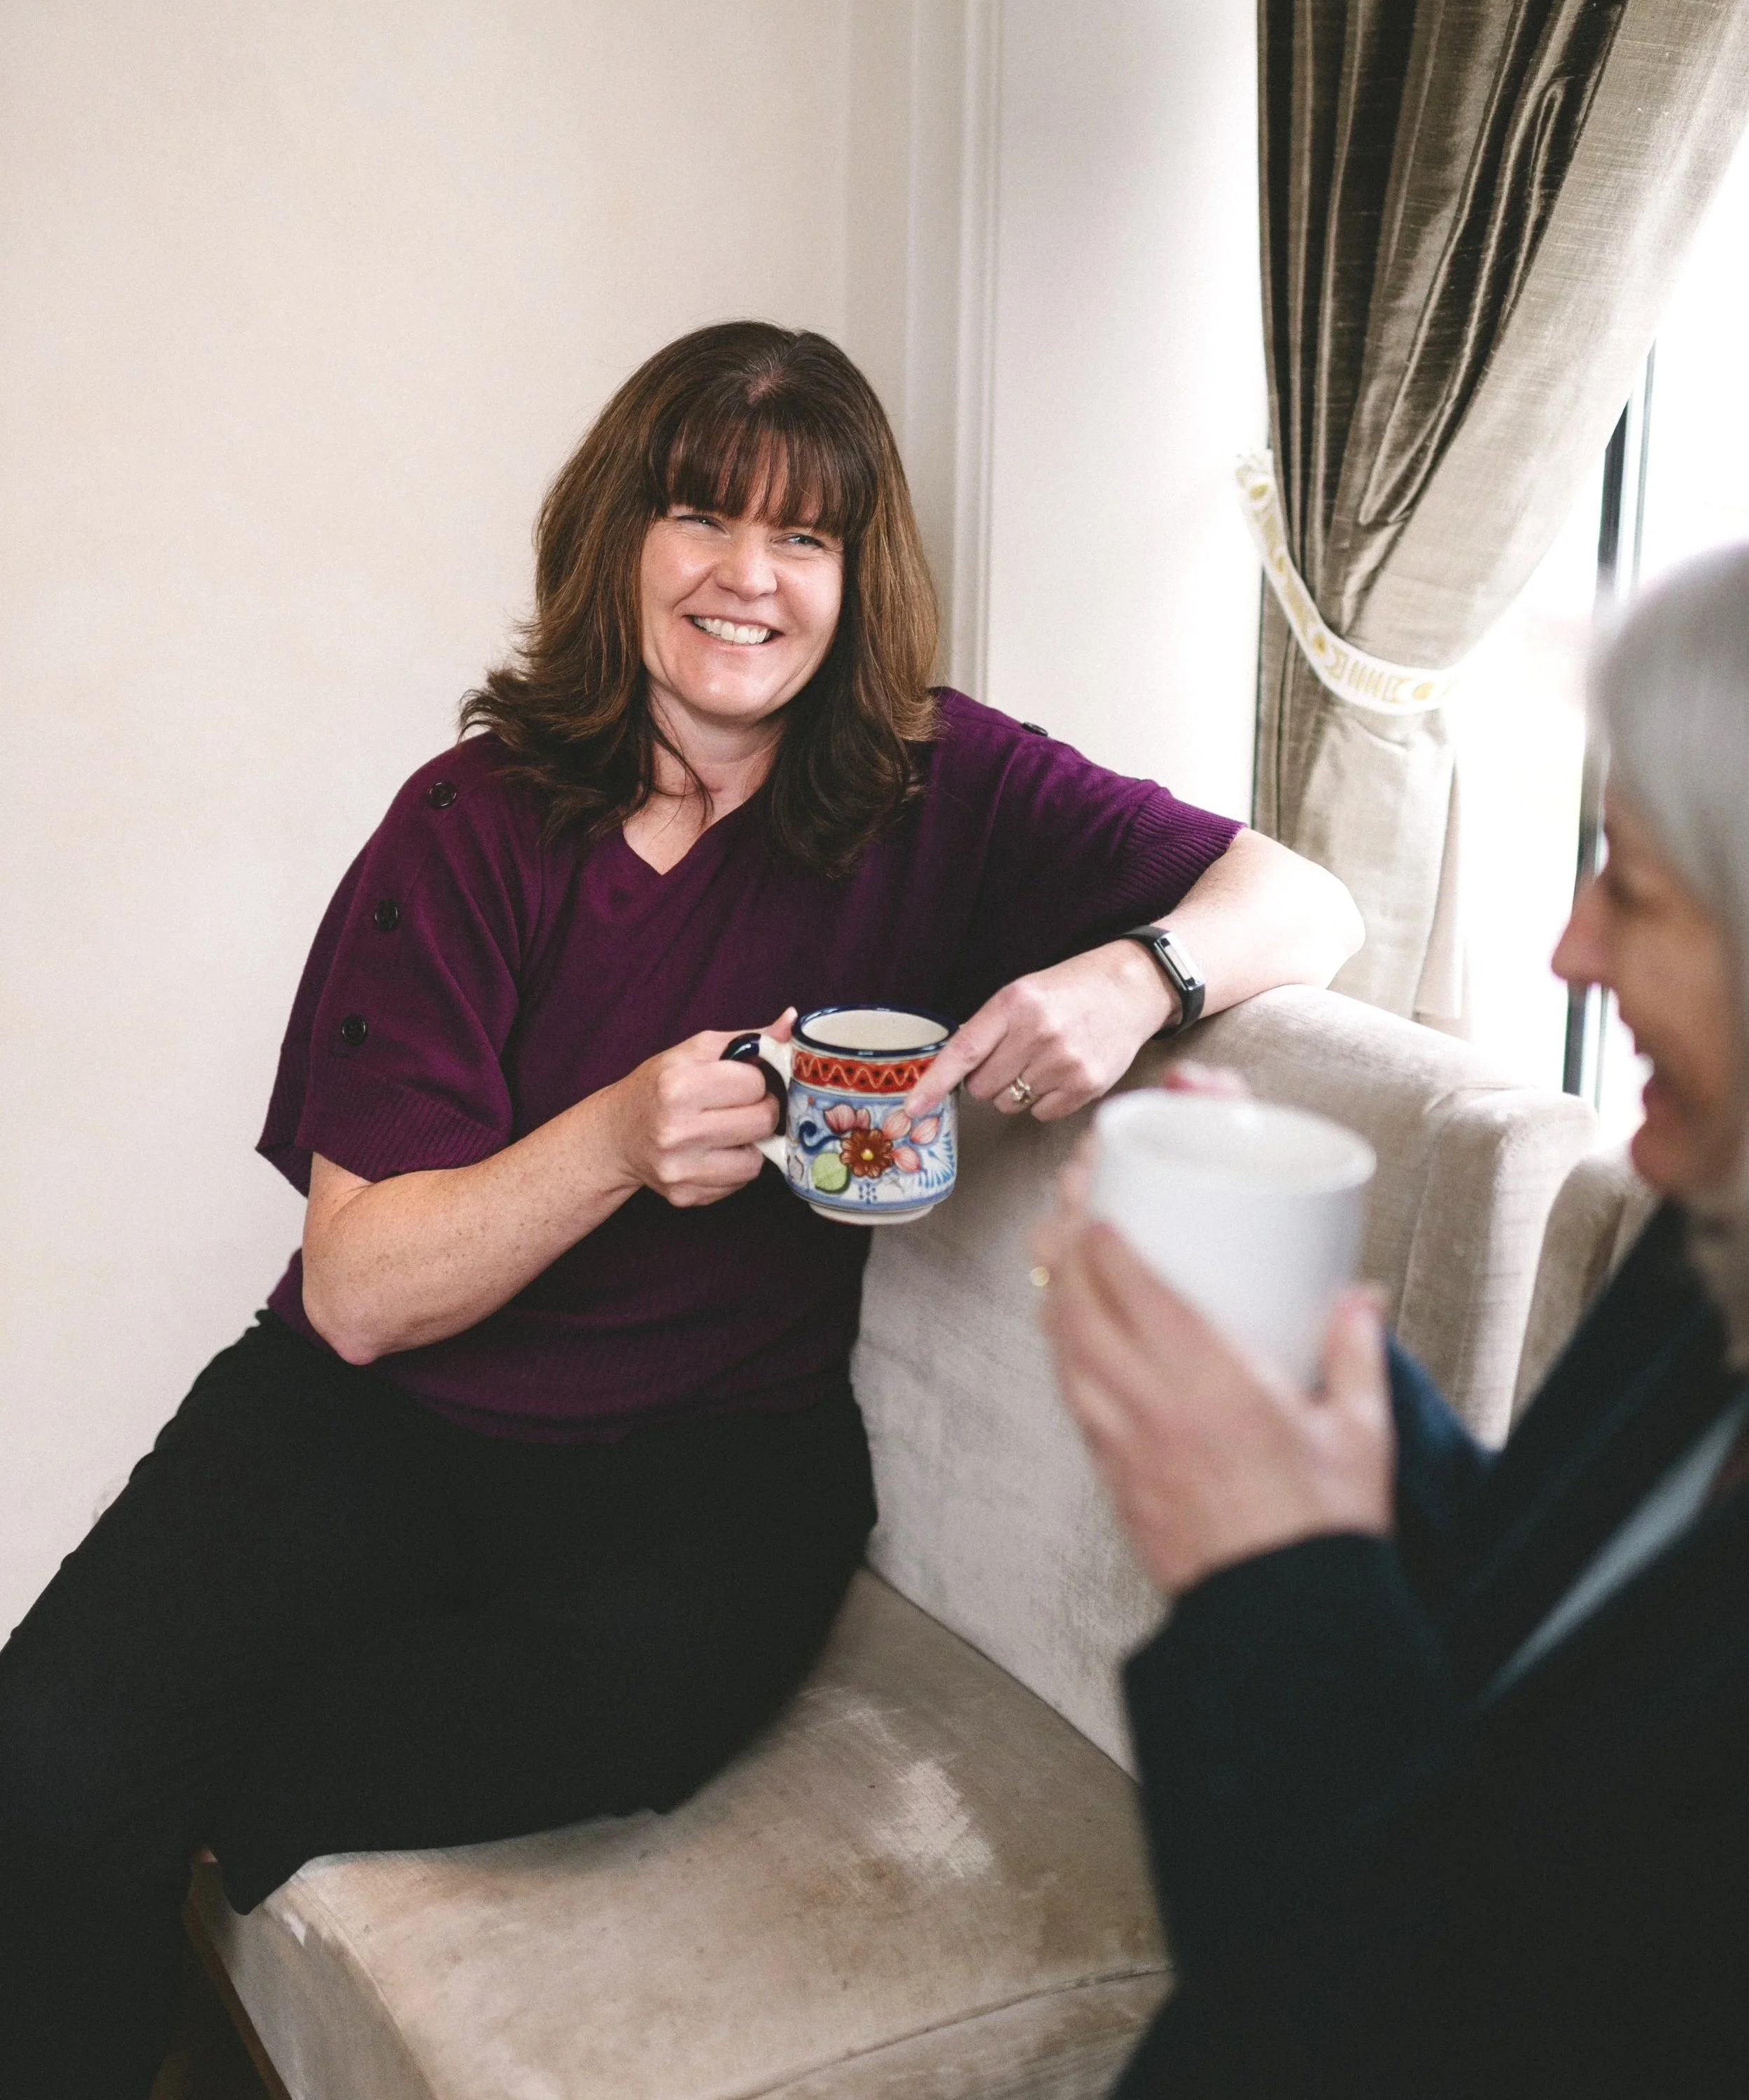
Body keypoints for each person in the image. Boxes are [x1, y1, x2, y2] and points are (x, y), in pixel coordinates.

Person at [0, 321, 1361, 2099]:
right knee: (43, 1758)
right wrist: (616, 1142)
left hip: (712, 1450)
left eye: (802, 535)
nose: (747, 575)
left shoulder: (942, 786)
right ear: (617, 542)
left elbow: (1305, 902)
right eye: (701, 515)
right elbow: (356, 1296)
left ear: (854, 579)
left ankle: (185, 1829)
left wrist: (1137, 977)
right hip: (372, 1419)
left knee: (585, 1725)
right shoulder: (467, 824)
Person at [1036, 539, 1749, 2099]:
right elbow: (1538, 1596)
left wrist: (1262, 1576)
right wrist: (1289, 1343)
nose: (1570, 950)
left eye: (1634, 886)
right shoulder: (1708, 1241)